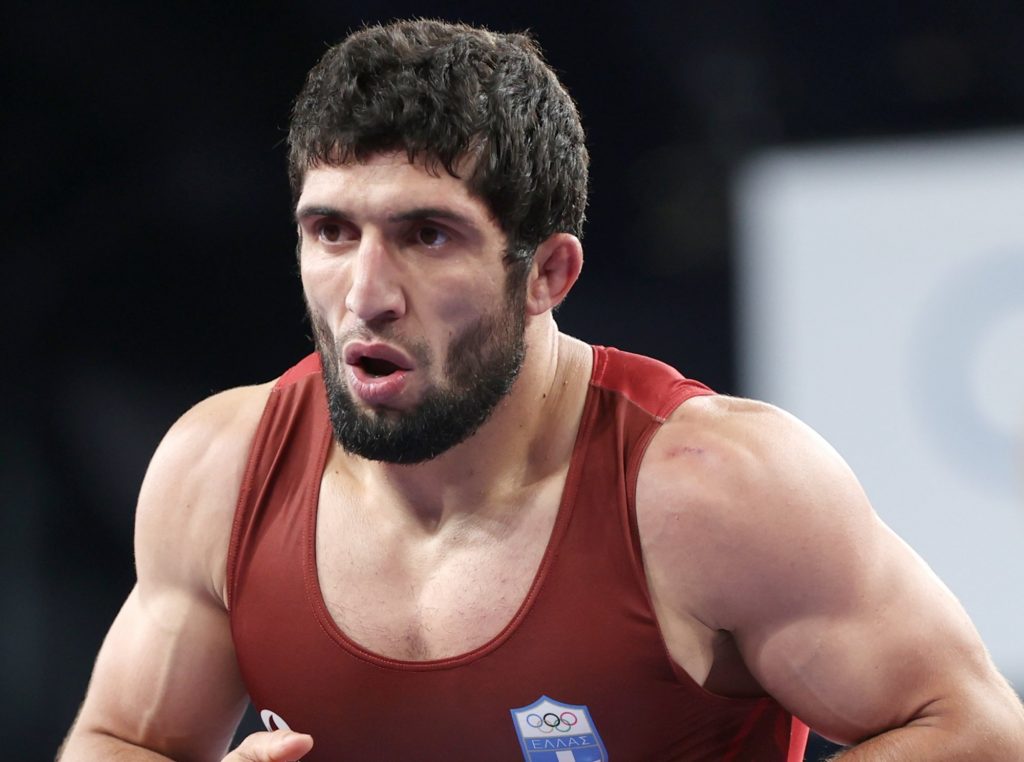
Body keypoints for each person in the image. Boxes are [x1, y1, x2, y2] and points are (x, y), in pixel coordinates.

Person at [59, 19, 1024, 762]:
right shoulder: (223, 470)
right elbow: (120, 739)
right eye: (332, 232)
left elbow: (975, 730)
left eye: (427, 235)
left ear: (548, 274)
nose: (366, 294)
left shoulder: (706, 488)